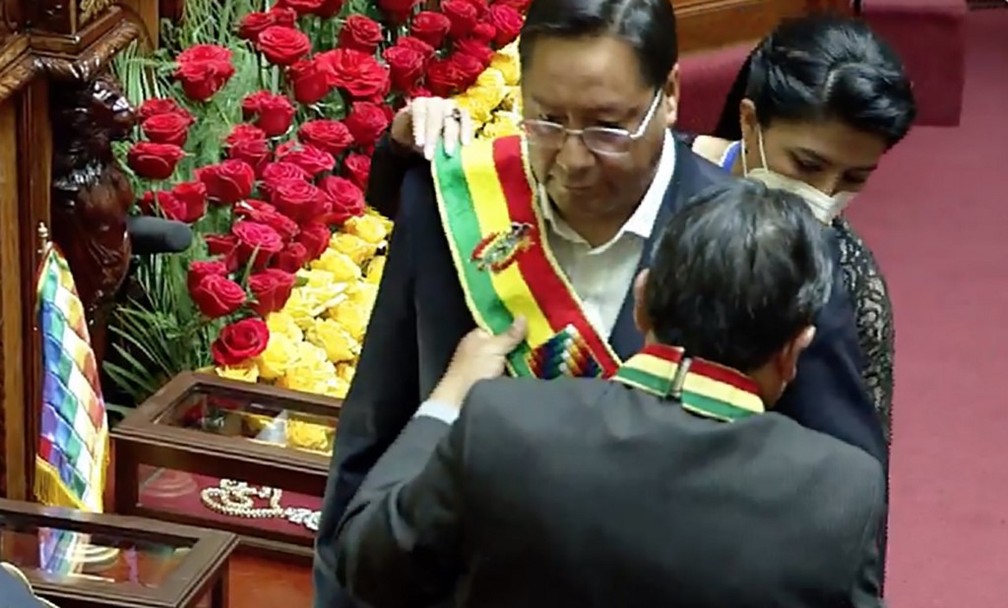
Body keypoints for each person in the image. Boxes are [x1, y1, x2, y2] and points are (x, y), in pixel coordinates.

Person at [312, 0, 731, 604]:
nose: (573, 158)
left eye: (607, 126)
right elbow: (373, 435)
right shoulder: (453, 207)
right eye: (547, 121)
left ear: (667, 95)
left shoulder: (746, 243)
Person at [333, 181, 886, 608]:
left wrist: (447, 400)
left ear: (643, 301)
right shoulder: (841, 491)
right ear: (796, 348)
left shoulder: (503, 422)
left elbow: (368, 564)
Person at [686, 14, 916, 442]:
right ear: (750, 121)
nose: (823, 196)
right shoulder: (662, 183)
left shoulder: (850, 278)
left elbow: (858, 468)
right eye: (808, 165)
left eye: (854, 179)